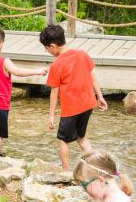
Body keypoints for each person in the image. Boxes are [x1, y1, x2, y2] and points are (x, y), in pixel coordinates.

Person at [39, 24, 107, 171]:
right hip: (89, 103)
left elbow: (54, 91)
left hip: (71, 109)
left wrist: (51, 115)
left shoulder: (57, 64)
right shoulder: (82, 54)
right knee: (81, 137)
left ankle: (66, 172)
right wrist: (100, 96)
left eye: (46, 48)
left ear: (53, 46)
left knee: (63, 140)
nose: (47, 51)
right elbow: (92, 76)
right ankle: (98, 166)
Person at [0, 25, 47, 157]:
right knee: (0, 130)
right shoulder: (4, 61)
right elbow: (18, 72)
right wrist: (37, 71)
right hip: (1, 102)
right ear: (1, 45)